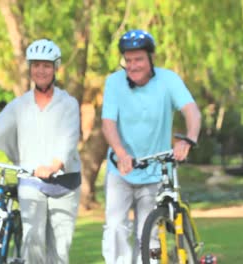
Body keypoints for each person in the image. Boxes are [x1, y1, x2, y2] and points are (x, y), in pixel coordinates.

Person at [0, 39, 81, 264]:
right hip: (31, 181)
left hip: (65, 183)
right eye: (36, 65)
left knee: (59, 252)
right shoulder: (19, 105)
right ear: (30, 69)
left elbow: (69, 139)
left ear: (56, 68)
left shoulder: (68, 104)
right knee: (32, 239)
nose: (41, 70)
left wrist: (54, 165)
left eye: (46, 65)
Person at [101, 29, 201, 264]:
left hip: (155, 171)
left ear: (150, 59)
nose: (133, 65)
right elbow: (108, 123)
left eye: (138, 59)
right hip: (121, 169)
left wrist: (188, 139)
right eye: (128, 60)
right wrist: (121, 153)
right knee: (115, 227)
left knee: (149, 234)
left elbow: (191, 111)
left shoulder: (168, 80)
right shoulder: (114, 83)